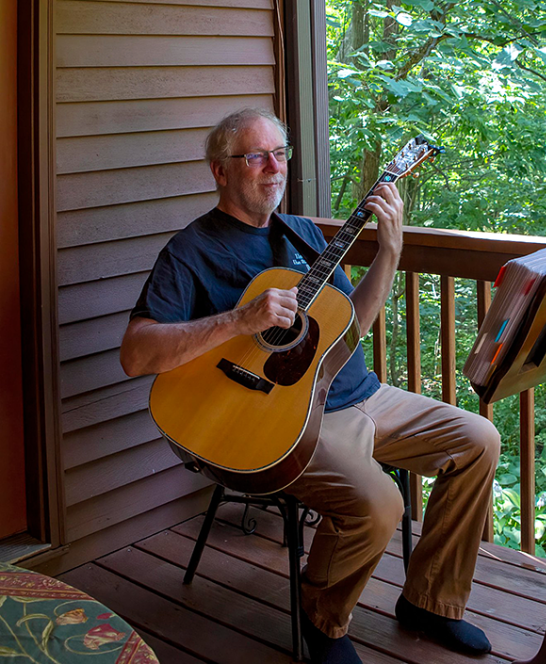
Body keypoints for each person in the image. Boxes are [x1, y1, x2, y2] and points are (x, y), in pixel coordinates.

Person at [120, 108, 500, 664]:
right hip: (286, 417)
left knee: (479, 439)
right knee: (380, 503)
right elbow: (135, 354)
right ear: (220, 171)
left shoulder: (300, 234)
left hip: (361, 394)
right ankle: (323, 616)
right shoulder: (190, 251)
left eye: (280, 154)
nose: (274, 168)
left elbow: (352, 324)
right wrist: (239, 320)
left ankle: (430, 602)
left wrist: (390, 251)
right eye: (256, 157)